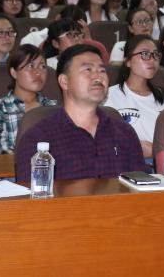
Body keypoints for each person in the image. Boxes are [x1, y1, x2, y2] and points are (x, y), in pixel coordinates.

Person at [15, 45, 147, 183]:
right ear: (64, 81)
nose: (98, 76)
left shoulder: (124, 132)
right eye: (88, 70)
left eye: (102, 70)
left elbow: (143, 188)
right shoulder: (38, 139)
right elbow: (29, 194)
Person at [104, 36, 164, 160]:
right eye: (145, 54)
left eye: (156, 55)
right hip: (127, 163)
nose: (152, 60)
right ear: (128, 61)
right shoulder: (108, 96)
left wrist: (155, 151)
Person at [0, 45, 57, 155]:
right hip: (14, 165)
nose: (38, 72)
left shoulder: (54, 108)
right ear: (14, 73)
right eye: (31, 66)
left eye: (42, 66)